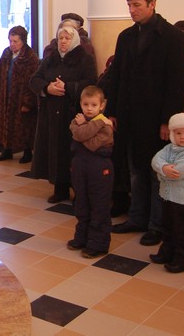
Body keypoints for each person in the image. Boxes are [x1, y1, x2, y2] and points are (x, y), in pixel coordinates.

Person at [105, 0, 184, 247]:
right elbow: (117, 76)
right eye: (129, 5)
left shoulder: (173, 37)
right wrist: (113, 112)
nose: (131, 10)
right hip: (130, 116)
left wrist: (168, 121)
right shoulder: (126, 36)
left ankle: (156, 224)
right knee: (135, 170)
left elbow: (177, 83)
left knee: (157, 173)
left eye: (137, 5)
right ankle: (137, 217)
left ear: (152, 4)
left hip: (156, 119)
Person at [30, 25, 97, 202]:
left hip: (73, 113)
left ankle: (79, 190)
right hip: (52, 114)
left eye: (67, 38)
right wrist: (47, 88)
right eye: (61, 38)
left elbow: (91, 83)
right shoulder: (50, 58)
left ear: (74, 40)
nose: (63, 41)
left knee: (74, 152)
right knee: (56, 151)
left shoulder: (85, 59)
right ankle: (60, 189)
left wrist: (67, 87)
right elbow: (35, 79)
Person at [149, 113, 184, 273]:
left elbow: (176, 174)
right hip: (168, 197)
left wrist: (161, 170)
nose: (182, 137)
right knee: (168, 227)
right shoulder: (169, 148)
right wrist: (164, 168)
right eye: (178, 133)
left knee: (183, 231)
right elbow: (155, 160)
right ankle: (167, 252)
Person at [66, 85, 114, 259]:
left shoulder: (106, 126)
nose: (89, 108)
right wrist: (88, 127)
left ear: (102, 105)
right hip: (80, 168)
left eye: (93, 105)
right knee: (82, 203)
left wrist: (87, 127)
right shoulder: (77, 121)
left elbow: (91, 144)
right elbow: (78, 134)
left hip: (100, 169)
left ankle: (98, 243)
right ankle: (82, 238)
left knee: (99, 205)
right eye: (85, 104)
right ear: (81, 104)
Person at [0, 26, 39, 163]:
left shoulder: (30, 57)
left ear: (23, 41)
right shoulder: (6, 54)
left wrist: (27, 102)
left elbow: (32, 82)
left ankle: (27, 152)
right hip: (6, 96)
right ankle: (7, 150)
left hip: (21, 98)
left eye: (15, 41)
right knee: (6, 124)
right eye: (10, 41)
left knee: (24, 127)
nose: (12, 44)